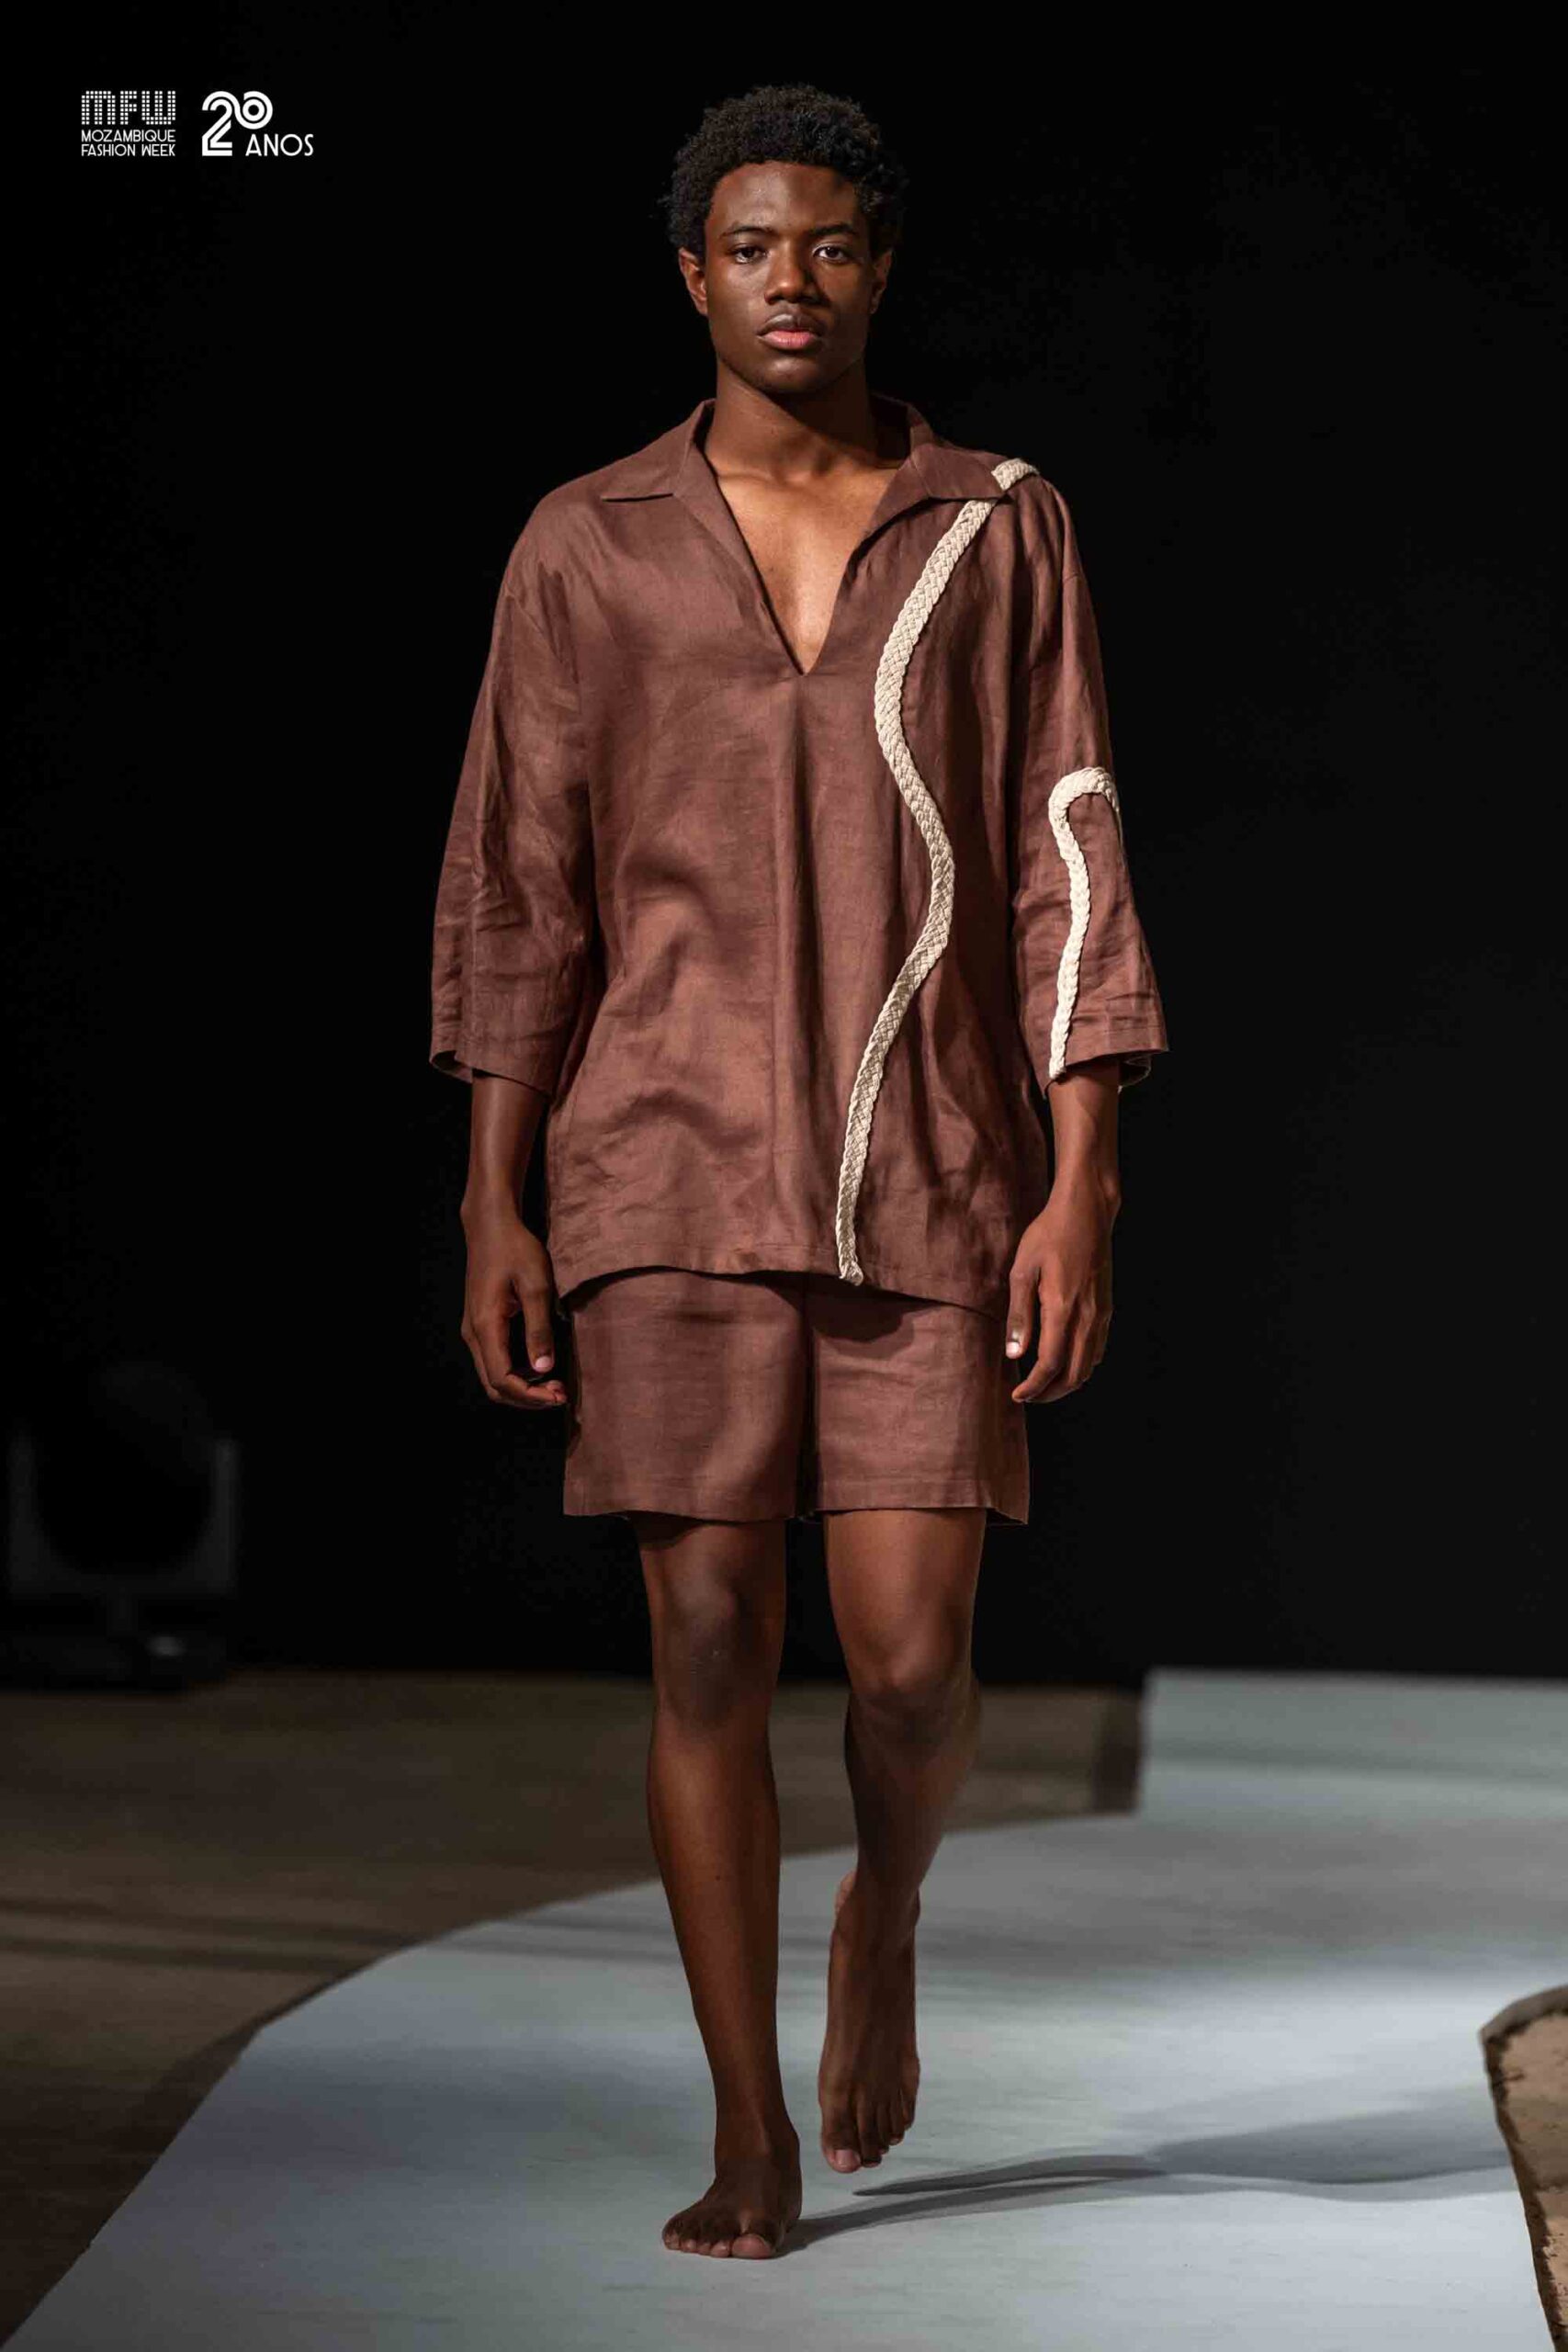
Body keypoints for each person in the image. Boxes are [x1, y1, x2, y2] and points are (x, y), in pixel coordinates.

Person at [428, 83, 1168, 2261]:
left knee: (913, 1659)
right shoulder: (586, 539)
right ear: (691, 274)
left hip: (924, 1154)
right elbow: (519, 876)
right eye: (749, 247)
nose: (789, 282)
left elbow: (1066, 848)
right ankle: (744, 2122)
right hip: (654, 1151)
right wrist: (491, 1190)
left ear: (878, 267)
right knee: (704, 1637)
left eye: (828, 245)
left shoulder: (993, 522)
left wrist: (1081, 1174)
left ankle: (885, 1913)